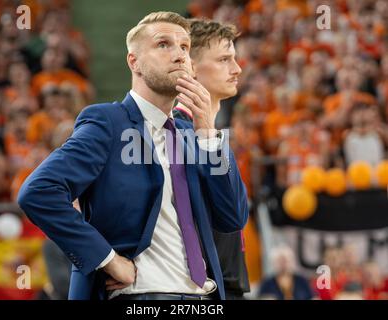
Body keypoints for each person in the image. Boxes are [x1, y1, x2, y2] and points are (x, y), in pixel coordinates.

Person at [18, 11, 248, 300]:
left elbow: (232, 218)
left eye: (184, 47)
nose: (178, 54)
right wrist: (108, 259)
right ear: (133, 62)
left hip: (202, 298)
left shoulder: (196, 135)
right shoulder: (108, 122)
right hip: (142, 295)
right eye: (163, 44)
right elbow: (38, 191)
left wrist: (209, 135)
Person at [172, 18, 249, 299]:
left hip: (226, 283)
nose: (236, 68)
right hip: (199, 289)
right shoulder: (173, 132)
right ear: (191, 66)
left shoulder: (210, 132)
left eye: (235, 59)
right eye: (224, 59)